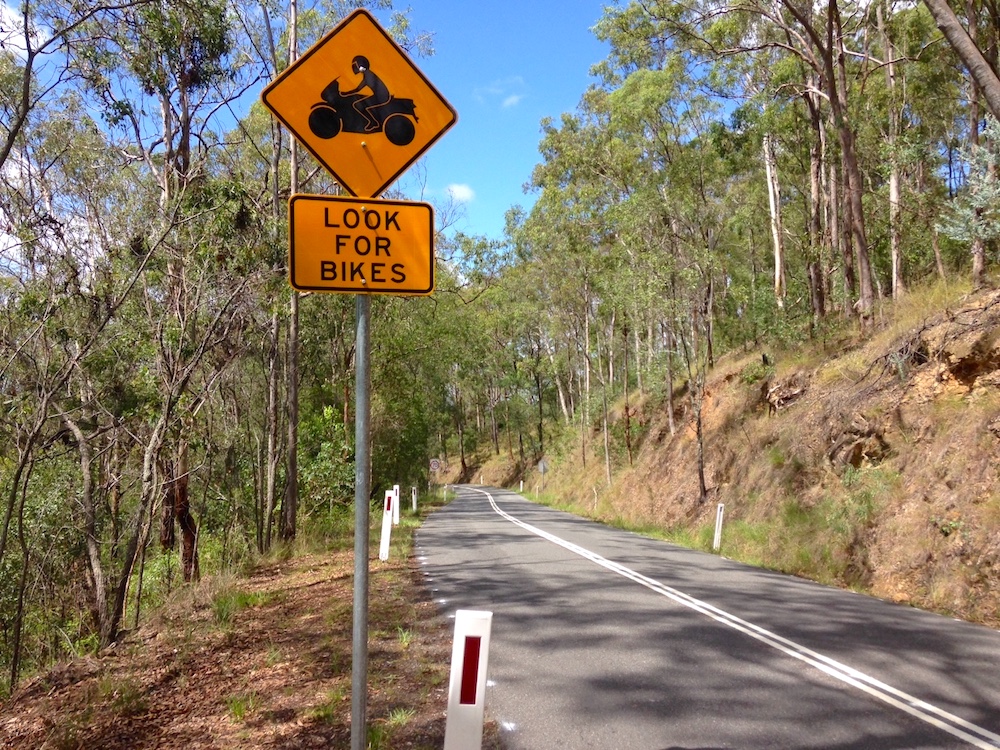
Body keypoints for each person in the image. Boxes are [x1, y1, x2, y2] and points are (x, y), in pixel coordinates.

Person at [341, 55, 390, 132]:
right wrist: (346, 93)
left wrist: (345, 94)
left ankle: (375, 122)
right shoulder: (368, 75)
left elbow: (358, 89)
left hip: (382, 96)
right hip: (380, 95)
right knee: (360, 103)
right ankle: (374, 122)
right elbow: (358, 89)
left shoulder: (368, 75)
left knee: (359, 104)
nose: (354, 68)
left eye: (355, 65)